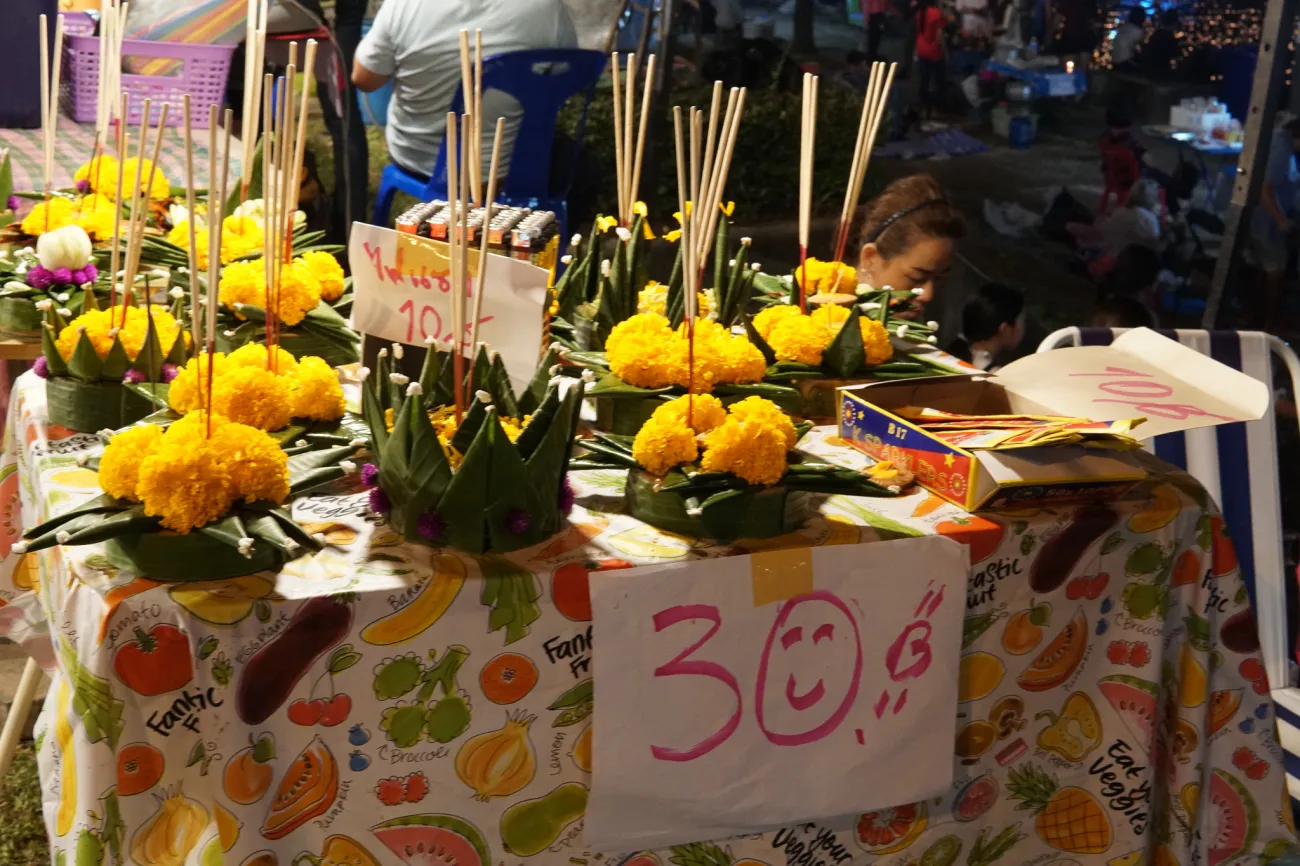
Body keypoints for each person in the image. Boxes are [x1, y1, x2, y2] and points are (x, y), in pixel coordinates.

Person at [352, 0, 578, 182]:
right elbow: (567, 80)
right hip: (509, 166)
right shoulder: (549, 9)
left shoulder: (405, 6)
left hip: (417, 158)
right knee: (575, 161)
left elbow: (364, 79)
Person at [858, 174, 966, 316]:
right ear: (870, 258)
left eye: (939, 278)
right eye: (917, 277)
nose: (927, 295)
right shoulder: (825, 326)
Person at [1248, 117, 1300, 322]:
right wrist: (1281, 220)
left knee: (1270, 268)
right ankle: (1269, 323)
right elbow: (1264, 189)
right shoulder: (1280, 149)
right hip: (1265, 219)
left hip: (1275, 216)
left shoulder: (1283, 144)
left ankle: (1262, 318)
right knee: (1274, 271)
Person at [945, 282, 1025, 370]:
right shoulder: (995, 375)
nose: (1022, 329)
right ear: (1004, 329)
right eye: (1022, 322)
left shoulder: (948, 354)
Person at [914, 0, 948, 124]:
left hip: (921, 49)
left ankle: (924, 108)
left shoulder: (920, 13)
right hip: (934, 51)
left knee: (924, 80)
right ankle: (935, 109)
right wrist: (946, 53)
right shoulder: (936, 13)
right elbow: (940, 36)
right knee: (938, 82)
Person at [1138, 9, 1180, 80]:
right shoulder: (1169, 37)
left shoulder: (1156, 34)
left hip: (1150, 72)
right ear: (1174, 23)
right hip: (1162, 73)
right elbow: (1175, 55)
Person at [864, 0, 891, 65]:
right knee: (873, 41)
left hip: (879, 16)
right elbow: (867, 5)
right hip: (875, 16)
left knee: (875, 41)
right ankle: (871, 60)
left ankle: (872, 59)